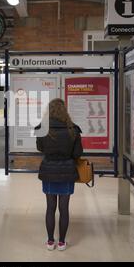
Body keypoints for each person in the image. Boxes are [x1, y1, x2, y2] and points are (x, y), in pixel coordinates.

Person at [36, 98, 83, 251]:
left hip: (49, 171)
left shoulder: (43, 128)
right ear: (65, 111)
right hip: (67, 172)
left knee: (50, 207)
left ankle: (50, 242)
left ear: (49, 111)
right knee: (64, 208)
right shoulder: (73, 129)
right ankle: (62, 242)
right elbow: (78, 153)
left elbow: (40, 148)